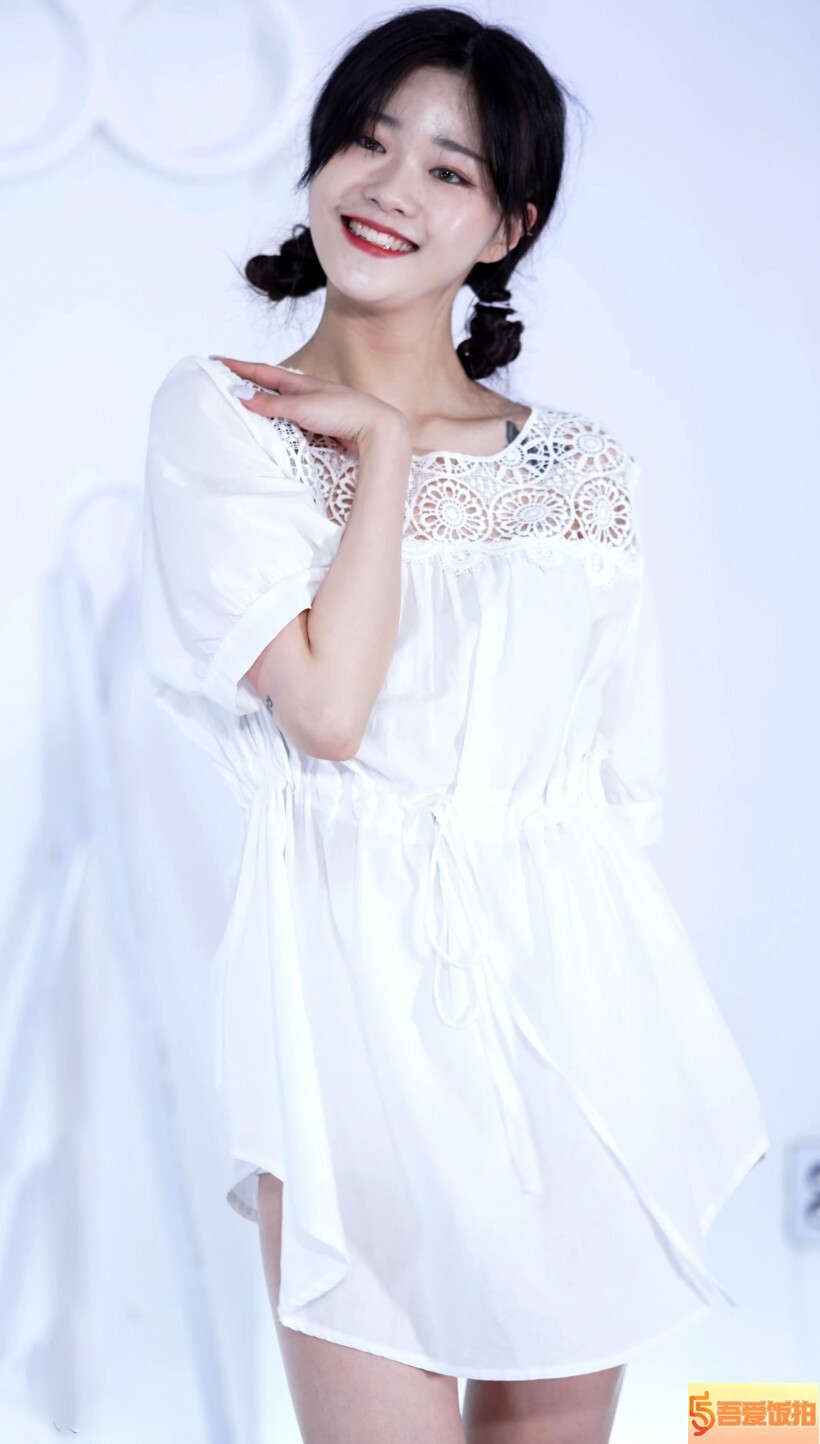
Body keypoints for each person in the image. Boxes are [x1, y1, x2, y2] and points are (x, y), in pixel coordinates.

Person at [140, 8, 770, 1442]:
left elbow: (617, 786)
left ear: (506, 227)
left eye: (448, 170)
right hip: (349, 1022)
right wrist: (380, 450)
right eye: (367, 143)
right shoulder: (224, 423)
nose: (390, 189)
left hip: (574, 1013)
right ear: (317, 164)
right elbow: (330, 713)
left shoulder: (579, 470)